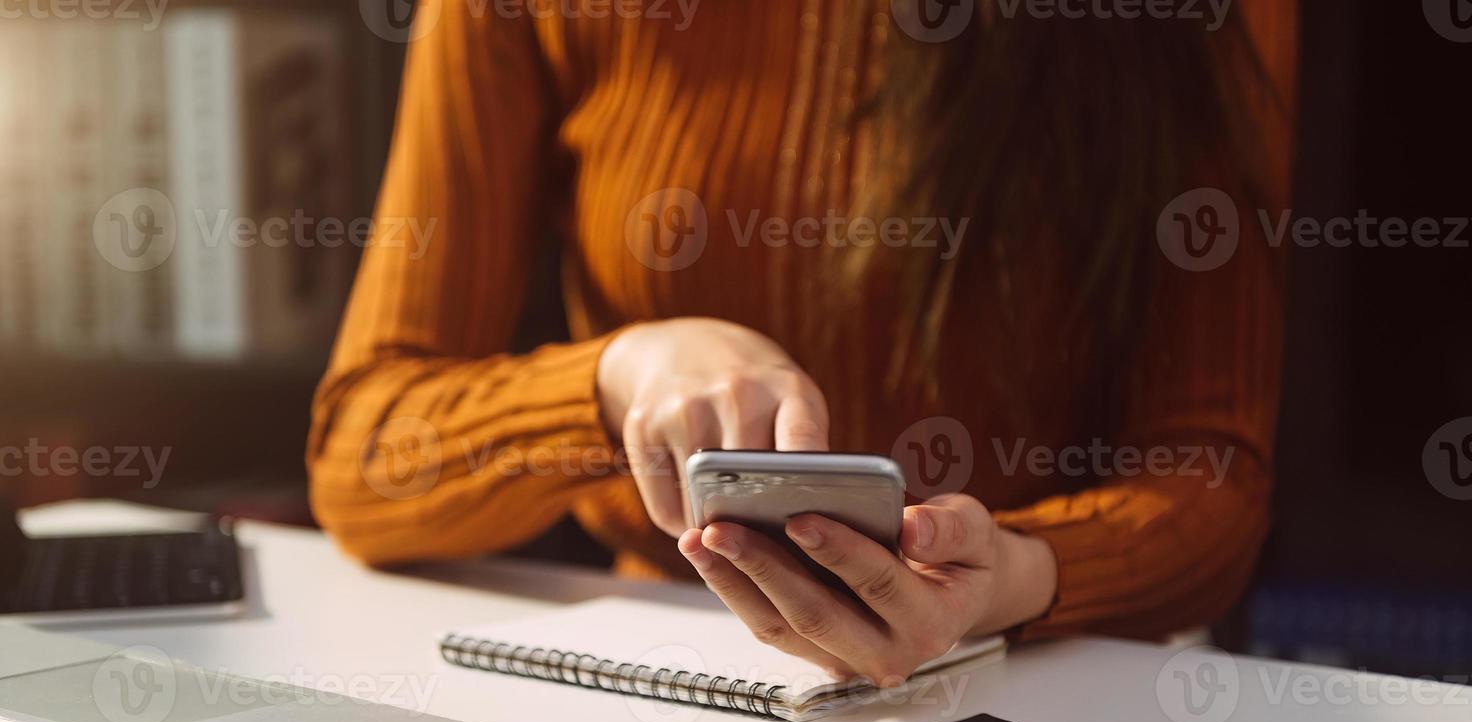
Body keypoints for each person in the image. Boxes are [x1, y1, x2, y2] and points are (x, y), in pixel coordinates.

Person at [308, 0, 1297, 685]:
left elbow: (1214, 481)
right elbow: (360, 454)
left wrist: (1020, 575)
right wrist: (615, 380)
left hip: (1048, 684)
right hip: (665, 678)